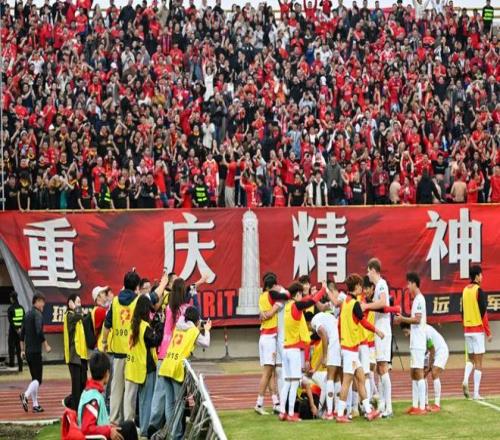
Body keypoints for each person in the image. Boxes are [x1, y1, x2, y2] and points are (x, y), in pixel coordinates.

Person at [148, 276, 205, 434]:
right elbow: (197, 318)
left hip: (163, 353)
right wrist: (194, 295)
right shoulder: (185, 310)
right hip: (176, 357)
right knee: (176, 399)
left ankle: (154, 426)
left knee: (163, 397)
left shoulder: (169, 307)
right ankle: (174, 432)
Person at [156, 306, 211, 439]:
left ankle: (170, 432)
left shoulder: (178, 326)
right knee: (179, 403)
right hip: (177, 368)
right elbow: (206, 343)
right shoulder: (193, 331)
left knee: (169, 403)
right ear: (196, 320)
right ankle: (175, 434)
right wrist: (207, 330)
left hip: (166, 365)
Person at [335, 274, 383, 423]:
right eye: (360, 286)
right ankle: (340, 414)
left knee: (361, 378)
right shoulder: (354, 304)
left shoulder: (345, 303)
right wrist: (377, 331)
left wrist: (342, 340)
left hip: (349, 348)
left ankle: (368, 411)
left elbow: (339, 324)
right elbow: (363, 322)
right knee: (347, 382)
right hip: (350, 350)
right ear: (356, 287)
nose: (362, 288)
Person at [278, 281, 325, 422]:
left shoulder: (287, 306)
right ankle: (291, 414)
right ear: (297, 294)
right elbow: (311, 301)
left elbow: (306, 300)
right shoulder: (296, 306)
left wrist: (310, 294)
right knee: (294, 383)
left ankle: (282, 412)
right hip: (293, 350)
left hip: (285, 349)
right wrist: (322, 290)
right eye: (300, 294)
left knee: (287, 382)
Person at [101, 271, 141, 424]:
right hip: (132, 353)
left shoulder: (115, 301)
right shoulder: (138, 301)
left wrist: (104, 342)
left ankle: (114, 420)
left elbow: (107, 325)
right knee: (130, 390)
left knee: (116, 389)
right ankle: (128, 422)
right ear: (136, 286)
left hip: (117, 353)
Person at [124, 295, 163, 437]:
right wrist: (160, 327)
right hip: (146, 368)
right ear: (145, 310)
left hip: (133, 367)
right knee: (147, 401)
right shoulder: (144, 326)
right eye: (150, 311)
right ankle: (145, 430)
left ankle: (137, 428)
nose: (151, 314)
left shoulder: (132, 324)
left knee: (138, 401)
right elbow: (155, 340)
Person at [79, 351, 138, 440]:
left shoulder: (90, 392)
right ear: (107, 373)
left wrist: (109, 426)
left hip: (101, 435)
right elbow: (86, 428)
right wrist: (108, 430)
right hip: (100, 437)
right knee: (130, 428)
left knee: (129, 426)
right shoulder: (93, 399)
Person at [255, 272, 290, 415]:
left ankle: (275, 402)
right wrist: (282, 291)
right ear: (272, 286)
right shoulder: (272, 296)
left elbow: (263, 315)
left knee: (270, 373)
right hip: (270, 337)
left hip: (263, 336)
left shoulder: (261, 296)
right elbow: (271, 312)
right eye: (275, 285)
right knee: (267, 373)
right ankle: (259, 404)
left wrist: (263, 315)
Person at [363, 258, 393, 417]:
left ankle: (389, 407)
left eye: (368, 271)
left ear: (373, 270)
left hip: (383, 330)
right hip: (380, 329)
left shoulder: (381, 284)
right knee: (381, 369)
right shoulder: (379, 286)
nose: (368, 274)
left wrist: (367, 306)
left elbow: (382, 302)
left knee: (382, 367)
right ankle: (383, 405)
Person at [394, 272, 427, 415]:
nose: (407, 286)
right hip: (415, 341)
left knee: (418, 372)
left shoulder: (419, 300)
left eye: (409, 283)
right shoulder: (416, 300)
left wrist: (402, 319)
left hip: (419, 342)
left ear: (414, 283)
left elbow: (417, 320)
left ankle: (422, 406)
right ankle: (415, 405)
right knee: (413, 373)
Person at [401, 323, 449, 412]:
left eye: (406, 332)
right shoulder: (415, 333)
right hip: (428, 352)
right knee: (422, 375)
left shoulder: (424, 331)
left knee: (434, 373)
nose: (406, 335)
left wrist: (430, 366)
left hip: (440, 351)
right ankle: (425, 404)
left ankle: (437, 404)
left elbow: (432, 349)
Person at [462, 265, 492, 400]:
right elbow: (483, 313)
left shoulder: (464, 290)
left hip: (467, 330)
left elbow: (462, 312)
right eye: (481, 274)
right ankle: (476, 393)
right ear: (477, 276)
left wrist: (465, 325)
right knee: (479, 362)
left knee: (470, 359)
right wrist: (488, 332)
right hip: (478, 330)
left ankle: (465, 379)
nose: (482, 277)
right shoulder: (479, 290)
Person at [19, 293, 51, 413]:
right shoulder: (38, 314)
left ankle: (35, 405)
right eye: (42, 302)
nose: (44, 304)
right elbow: (39, 331)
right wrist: (46, 344)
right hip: (35, 351)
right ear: (36, 301)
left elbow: (21, 334)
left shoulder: (27, 314)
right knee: (38, 379)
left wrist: (22, 350)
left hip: (28, 351)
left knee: (34, 379)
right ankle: (25, 395)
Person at [310, 311, 342, 420]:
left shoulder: (315, 321)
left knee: (330, 378)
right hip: (341, 342)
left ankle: (329, 412)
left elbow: (323, 335)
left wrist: (324, 356)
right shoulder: (327, 317)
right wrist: (316, 367)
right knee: (337, 378)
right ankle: (337, 410)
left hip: (334, 343)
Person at [63, 294, 89, 411]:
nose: (80, 304)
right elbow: (78, 315)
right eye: (77, 302)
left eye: (80, 302)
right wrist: (75, 308)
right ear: (71, 303)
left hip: (82, 355)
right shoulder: (69, 316)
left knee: (83, 383)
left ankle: (69, 401)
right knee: (76, 385)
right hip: (74, 356)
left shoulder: (77, 317)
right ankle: (75, 410)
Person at [7, 291, 25, 371]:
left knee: (11, 347)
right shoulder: (21, 308)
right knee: (19, 349)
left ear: (12, 298)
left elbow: (10, 321)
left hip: (13, 331)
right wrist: (20, 329)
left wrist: (15, 329)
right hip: (20, 331)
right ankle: (20, 367)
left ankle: (12, 364)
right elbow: (24, 319)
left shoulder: (10, 309)